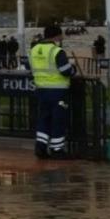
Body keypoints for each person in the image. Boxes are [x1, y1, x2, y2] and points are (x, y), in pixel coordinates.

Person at [29, 24, 78, 159]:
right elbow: (65, 70)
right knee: (58, 119)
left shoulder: (34, 49)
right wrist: (74, 69)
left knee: (44, 118)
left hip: (41, 90)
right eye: (60, 36)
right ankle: (57, 149)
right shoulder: (57, 51)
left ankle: (40, 148)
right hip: (58, 91)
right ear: (56, 36)